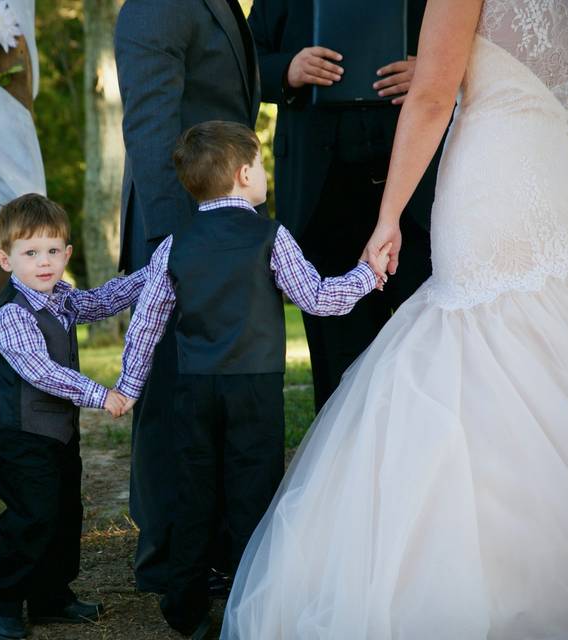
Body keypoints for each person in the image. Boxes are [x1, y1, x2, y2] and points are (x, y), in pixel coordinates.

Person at [223, 1, 568, 638]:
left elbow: (429, 98)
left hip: (502, 184)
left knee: (482, 348)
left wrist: (388, 216)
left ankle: (503, 579)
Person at [114, 120, 386, 638]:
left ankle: (185, 607)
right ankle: (251, 598)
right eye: (260, 165)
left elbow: (147, 323)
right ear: (243, 174)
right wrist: (368, 276)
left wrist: (129, 386)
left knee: (193, 490)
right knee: (252, 491)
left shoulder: (174, 245)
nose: (264, 174)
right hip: (255, 387)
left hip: (194, 387)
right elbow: (319, 299)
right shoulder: (272, 235)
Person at [114, 0, 262, 594]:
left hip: (219, 224)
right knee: (174, 397)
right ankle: (172, 558)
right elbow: (151, 131)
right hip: (183, 232)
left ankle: (214, 548)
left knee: (210, 395)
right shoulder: (156, 5)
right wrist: (187, 249)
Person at [247, 0, 439, 412]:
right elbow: (242, 62)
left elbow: (478, 50)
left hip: (418, 203)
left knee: (427, 351)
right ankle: (343, 469)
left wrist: (431, 73)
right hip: (321, 200)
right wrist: (288, 70)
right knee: (338, 365)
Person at [0, 194, 144, 640]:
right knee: (32, 520)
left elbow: (104, 300)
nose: (44, 262)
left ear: (67, 255)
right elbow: (43, 372)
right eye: (30, 253)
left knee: (65, 516)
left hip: (57, 437)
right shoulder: (12, 313)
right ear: (6, 259)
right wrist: (101, 394)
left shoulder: (62, 298)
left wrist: (153, 272)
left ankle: (51, 597)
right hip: (21, 439)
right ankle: (1, 599)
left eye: (53, 251)